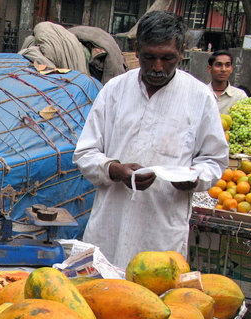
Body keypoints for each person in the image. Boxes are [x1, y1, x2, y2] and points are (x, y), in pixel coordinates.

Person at [72, 11, 228, 269]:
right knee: (100, 294)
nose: (157, 67)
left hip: (162, 229)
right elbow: (85, 153)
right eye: (149, 57)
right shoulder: (114, 90)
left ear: (182, 52)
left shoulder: (199, 97)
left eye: (167, 58)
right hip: (111, 222)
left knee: (155, 300)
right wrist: (115, 169)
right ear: (137, 50)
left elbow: (214, 160)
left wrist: (194, 177)